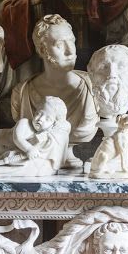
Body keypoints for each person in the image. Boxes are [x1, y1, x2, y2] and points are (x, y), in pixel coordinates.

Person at [11, 14, 98, 167]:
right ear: (42, 50)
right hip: (36, 167)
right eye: (60, 44)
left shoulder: (93, 87)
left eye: (72, 41)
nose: (70, 51)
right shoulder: (21, 93)